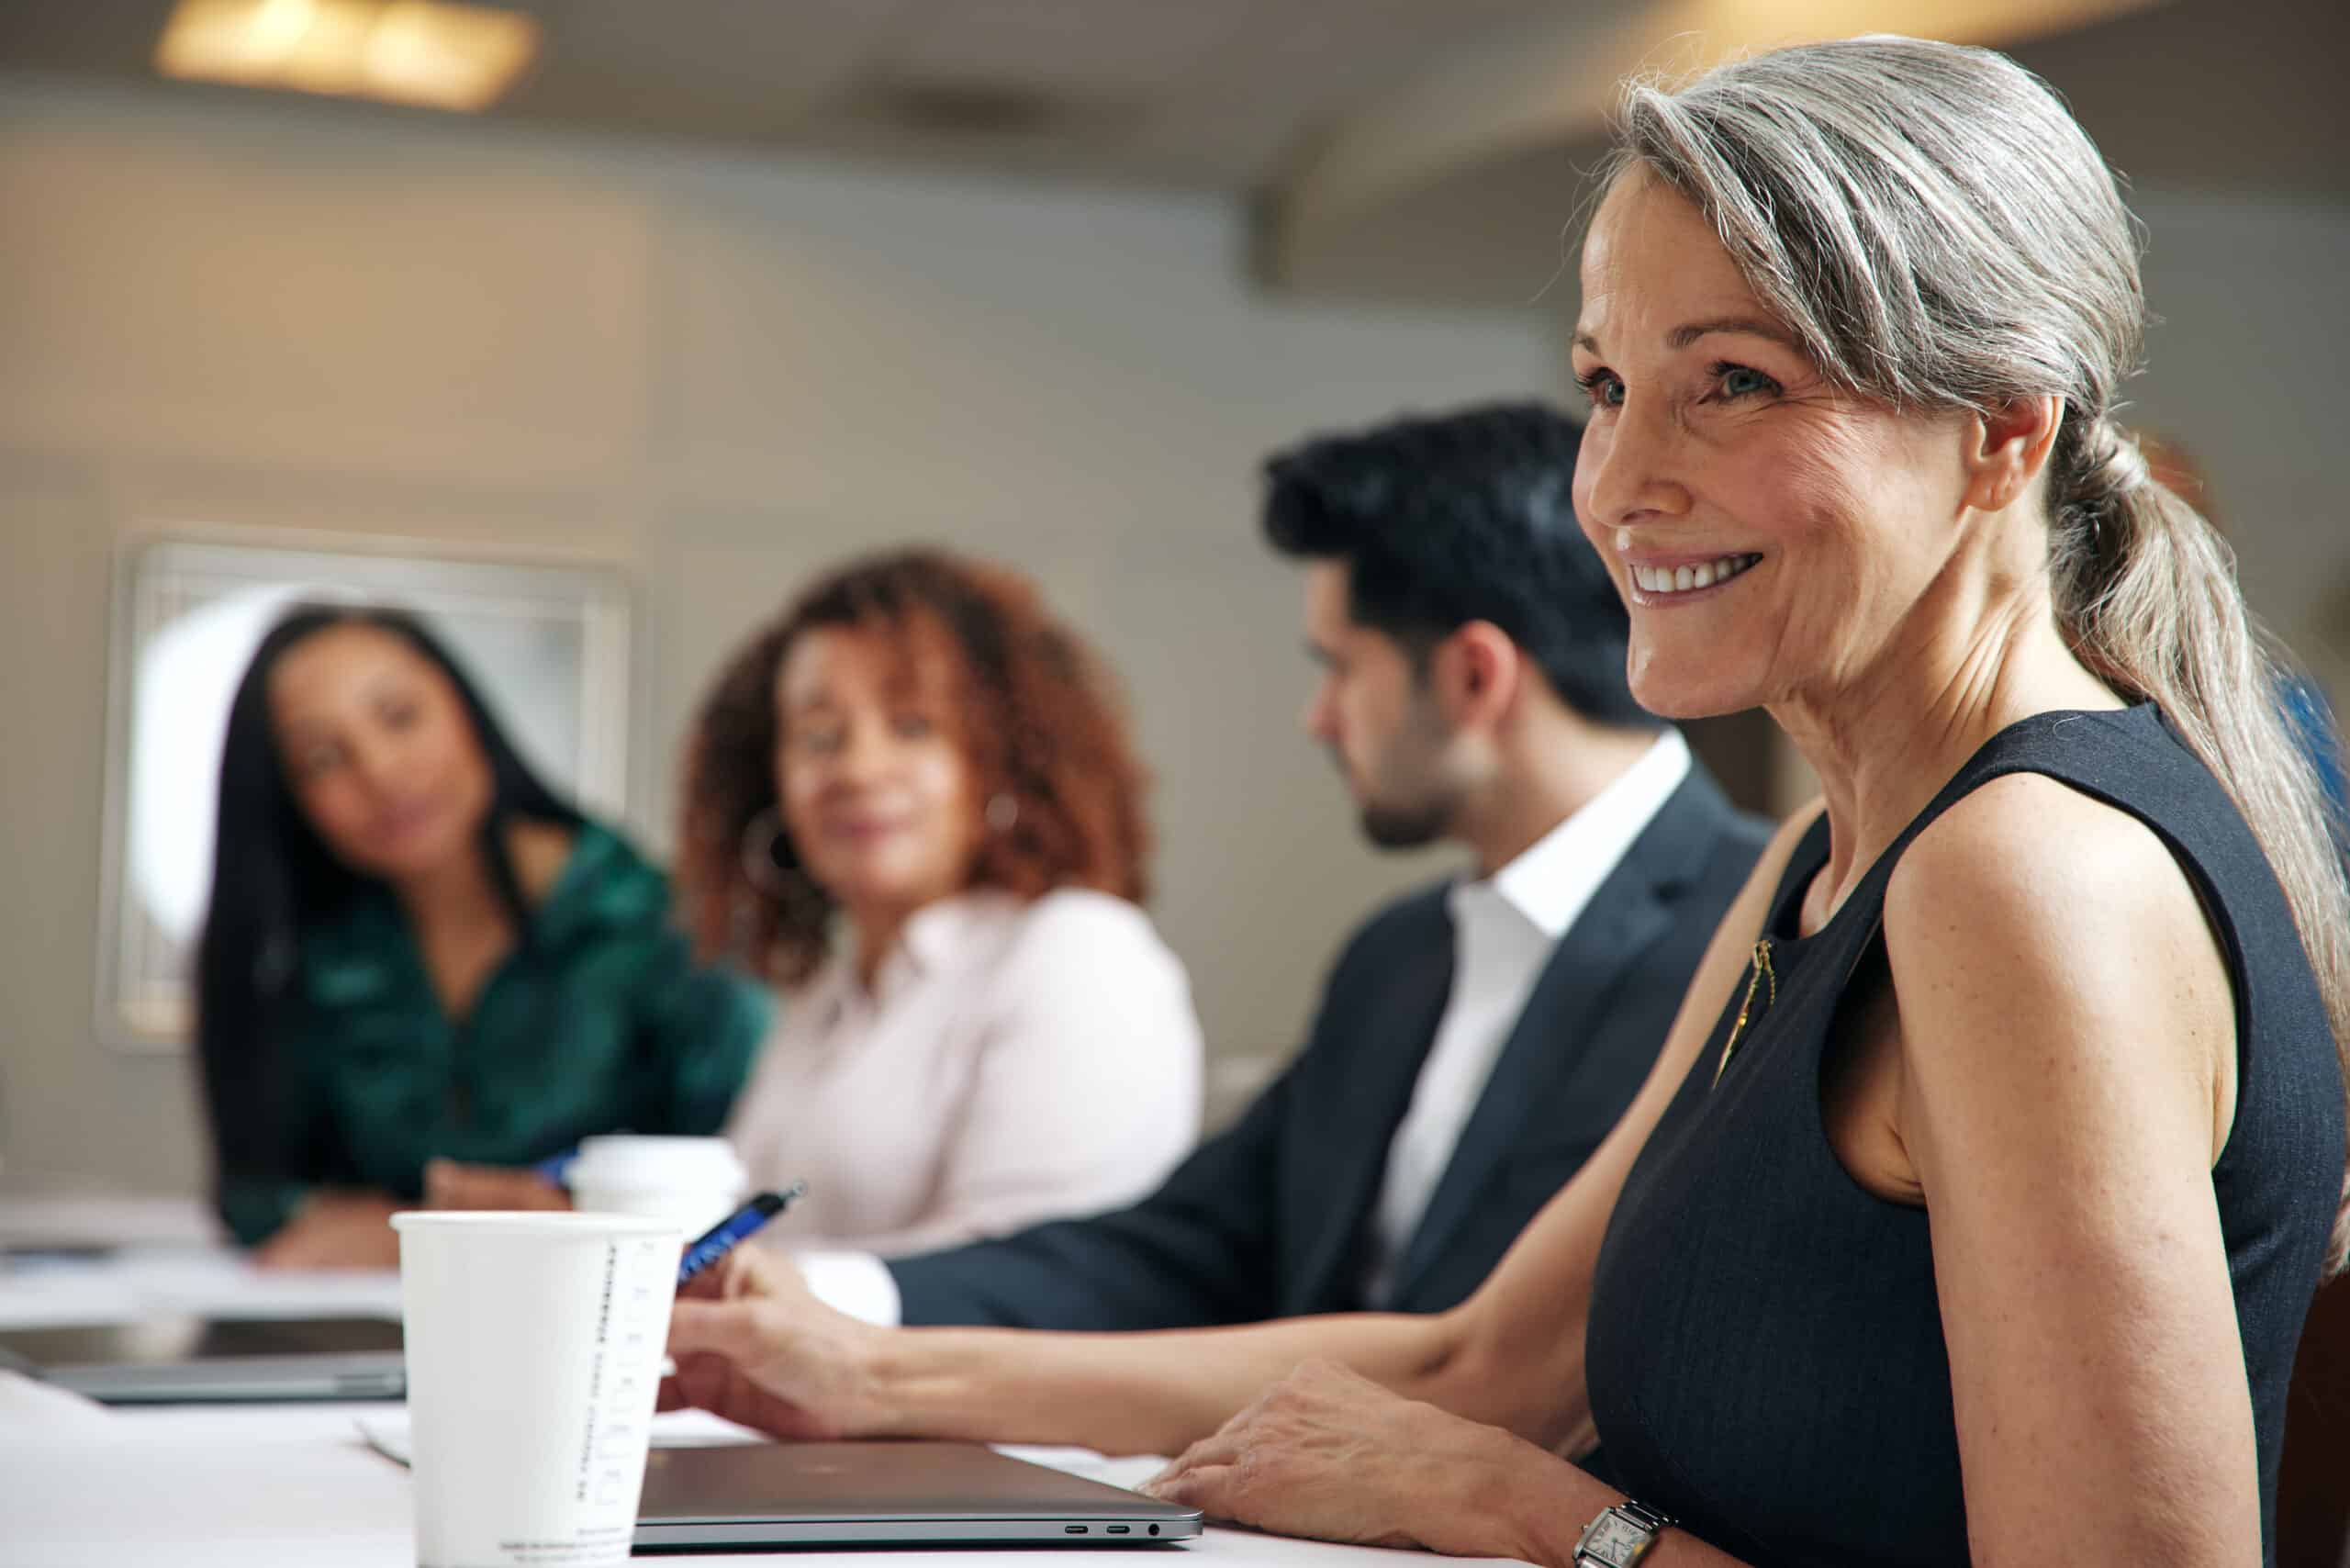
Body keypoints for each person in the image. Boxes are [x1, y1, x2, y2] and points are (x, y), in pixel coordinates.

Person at [655, 38, 2350, 1568]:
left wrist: (1532, 1512)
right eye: (1607, 386)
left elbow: (1504, 1440)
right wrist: (859, 1372)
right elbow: (1485, 1362)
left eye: (1734, 382)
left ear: (1998, 431)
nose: (1616, 484)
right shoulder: (1828, 863)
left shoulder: (2027, 874)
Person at [772, 404, 1768, 1333]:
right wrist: (826, 1292)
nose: (1318, 717)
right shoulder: (1399, 954)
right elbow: (1184, 1251)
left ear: (1473, 676)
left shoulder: (1765, 934)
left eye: (1339, 666)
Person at [196, 605, 769, 1268]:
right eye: (323, 759)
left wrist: (430, 1231)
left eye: (400, 717)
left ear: (464, 707)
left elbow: (747, 1187)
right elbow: (263, 1202)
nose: (380, 773)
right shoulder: (315, 961)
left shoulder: (659, 931)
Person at [671, 551, 1203, 1256]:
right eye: (819, 736)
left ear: (1004, 757)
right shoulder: (822, 997)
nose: (858, 769)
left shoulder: (1080, 954)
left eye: (913, 725)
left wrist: (768, 1306)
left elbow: (1030, 1283)